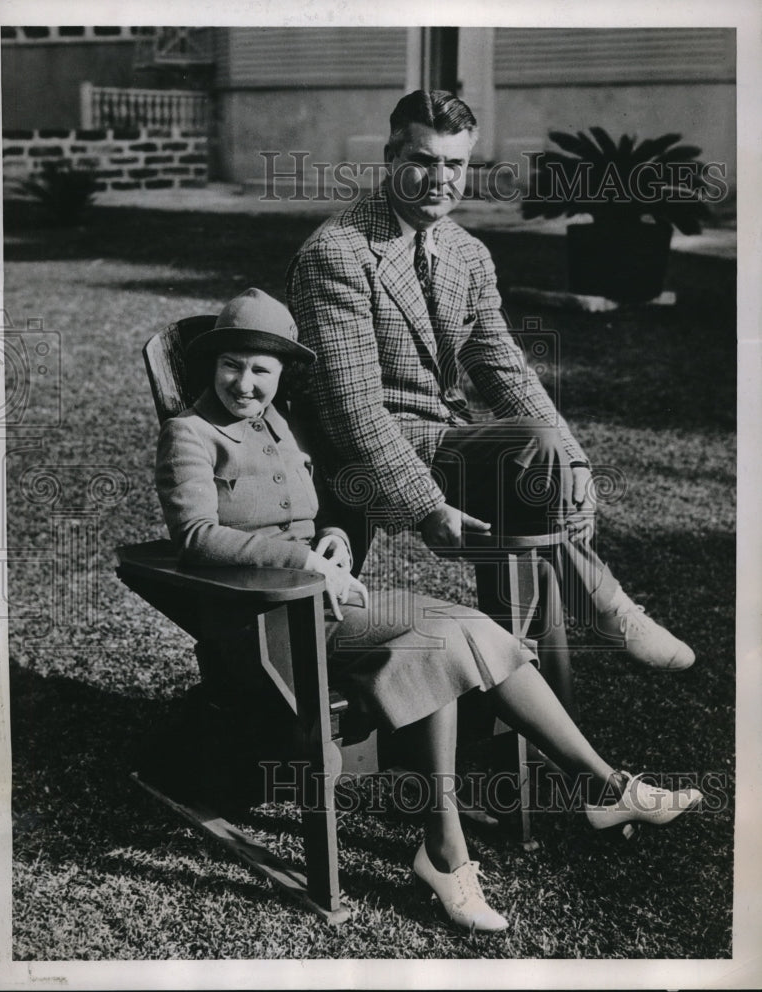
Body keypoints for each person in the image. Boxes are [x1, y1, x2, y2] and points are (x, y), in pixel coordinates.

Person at [155, 288, 702, 933]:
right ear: (211, 364)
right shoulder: (189, 434)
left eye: (261, 370)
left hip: (329, 604)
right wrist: (302, 560)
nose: (244, 383)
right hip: (263, 623)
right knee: (441, 638)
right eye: (231, 366)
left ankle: (562, 804)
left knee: (458, 633)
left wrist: (333, 540)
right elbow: (195, 537)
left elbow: (324, 511)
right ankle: (516, 823)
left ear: (279, 374)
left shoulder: (283, 424)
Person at [286, 90, 695, 715]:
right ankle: (606, 611)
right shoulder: (336, 253)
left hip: (441, 440)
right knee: (531, 454)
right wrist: (427, 507)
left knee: (544, 466)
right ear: (391, 157)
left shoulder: (465, 252)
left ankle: (524, 710)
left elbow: (504, 368)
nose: (440, 180)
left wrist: (577, 462)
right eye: (423, 161)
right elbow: (352, 410)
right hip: (360, 454)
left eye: (455, 164)